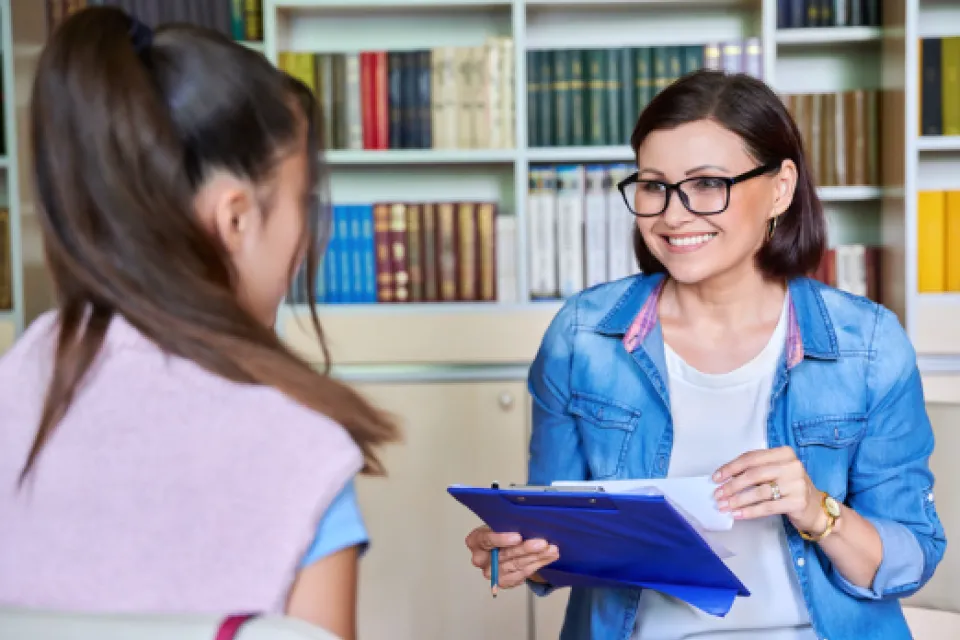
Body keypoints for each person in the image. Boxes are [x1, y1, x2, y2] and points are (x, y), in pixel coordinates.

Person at [465, 69, 946, 639]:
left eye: (707, 183)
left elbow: (910, 561)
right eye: (653, 186)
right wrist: (518, 554)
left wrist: (817, 510)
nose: (673, 214)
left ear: (780, 188)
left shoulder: (867, 346)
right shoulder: (582, 337)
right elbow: (556, 537)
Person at [0, 7, 399, 640]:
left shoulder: (12, 391)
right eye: (301, 202)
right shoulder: (301, 450)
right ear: (236, 219)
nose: (305, 238)